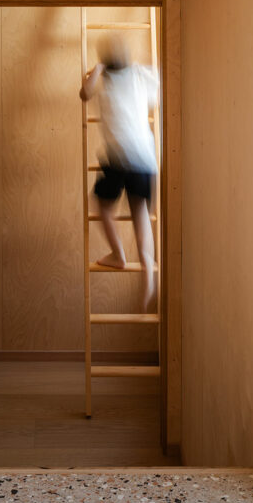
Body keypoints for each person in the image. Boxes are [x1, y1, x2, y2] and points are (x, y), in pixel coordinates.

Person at [80, 34, 159, 310]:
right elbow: (158, 90)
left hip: (119, 158)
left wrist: (97, 69)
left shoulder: (102, 81)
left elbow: (83, 94)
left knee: (102, 207)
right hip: (145, 159)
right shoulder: (140, 75)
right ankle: (148, 271)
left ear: (104, 62)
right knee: (141, 217)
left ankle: (117, 254)